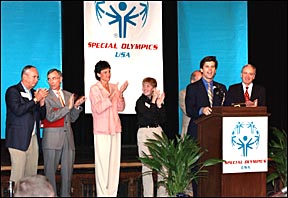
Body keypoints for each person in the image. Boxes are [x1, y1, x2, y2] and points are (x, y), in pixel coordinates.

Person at [185, 56, 227, 196]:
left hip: (217, 136)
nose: (210, 70)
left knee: (216, 168)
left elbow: (225, 109)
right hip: (198, 133)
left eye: (212, 67)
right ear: (202, 69)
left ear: (215, 70)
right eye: (207, 67)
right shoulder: (192, 88)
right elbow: (190, 110)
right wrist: (201, 110)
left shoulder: (221, 88)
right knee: (198, 169)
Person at [42, 68, 86, 197]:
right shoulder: (45, 96)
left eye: (54, 78)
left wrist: (76, 107)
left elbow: (71, 118)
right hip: (51, 139)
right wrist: (68, 107)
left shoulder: (68, 95)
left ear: (61, 79)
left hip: (68, 138)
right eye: (49, 79)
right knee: (50, 174)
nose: (51, 81)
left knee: (67, 175)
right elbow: (50, 116)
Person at [89, 60, 128, 197]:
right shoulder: (94, 89)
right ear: (99, 74)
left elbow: (120, 107)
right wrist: (112, 95)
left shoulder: (113, 87)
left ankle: (112, 193)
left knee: (113, 164)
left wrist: (121, 93)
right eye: (105, 72)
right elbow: (98, 108)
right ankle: (102, 194)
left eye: (109, 71)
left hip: (115, 128)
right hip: (102, 130)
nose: (108, 74)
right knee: (102, 164)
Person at [5, 65, 49, 185]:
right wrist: (35, 100)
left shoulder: (34, 93)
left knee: (31, 176)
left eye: (37, 78)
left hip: (33, 138)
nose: (36, 80)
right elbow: (18, 110)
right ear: (25, 76)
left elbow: (41, 116)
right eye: (34, 77)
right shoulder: (13, 91)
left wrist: (41, 102)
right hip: (18, 138)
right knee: (18, 175)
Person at [135, 77, 168, 197]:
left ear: (154, 88)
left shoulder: (156, 101)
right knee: (147, 166)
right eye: (144, 86)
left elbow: (162, 119)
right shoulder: (140, 102)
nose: (145, 88)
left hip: (157, 131)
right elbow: (148, 116)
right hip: (145, 132)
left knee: (163, 165)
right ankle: (148, 195)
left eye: (148, 86)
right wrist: (154, 103)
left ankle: (162, 194)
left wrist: (159, 106)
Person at [179, 70, 202, 138]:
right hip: (189, 128)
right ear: (192, 81)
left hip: (203, 128)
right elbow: (188, 111)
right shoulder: (183, 93)